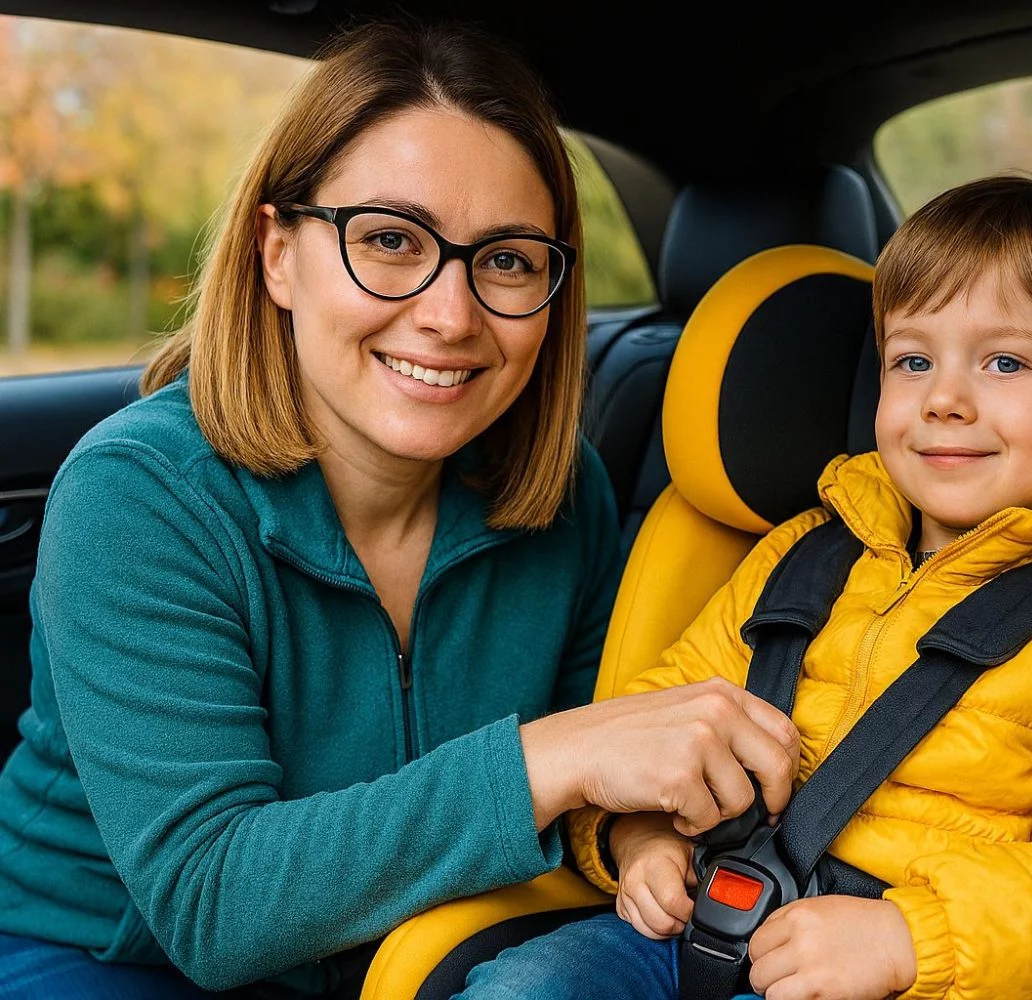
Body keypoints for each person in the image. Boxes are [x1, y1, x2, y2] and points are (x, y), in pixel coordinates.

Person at [0, 21, 801, 1000]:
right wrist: (553, 757)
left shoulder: (565, 496)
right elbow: (212, 904)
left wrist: (637, 834)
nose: (450, 314)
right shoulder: (140, 495)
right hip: (106, 962)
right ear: (278, 254)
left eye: (505, 260)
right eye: (389, 240)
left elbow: (604, 797)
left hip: (416, 950)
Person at [456, 175, 1032, 1000]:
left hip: (899, 973)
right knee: (527, 985)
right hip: (694, 922)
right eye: (913, 360)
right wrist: (638, 839)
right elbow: (655, 719)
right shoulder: (803, 553)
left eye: (1005, 362)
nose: (945, 401)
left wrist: (909, 941)